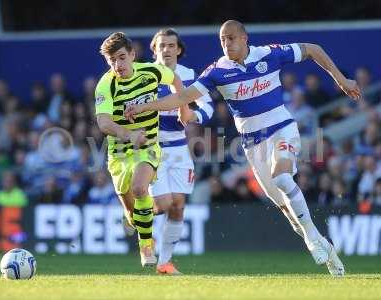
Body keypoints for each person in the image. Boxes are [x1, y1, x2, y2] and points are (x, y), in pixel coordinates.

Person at [125, 20, 362, 277]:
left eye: (231, 38)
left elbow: (313, 48)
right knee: (286, 209)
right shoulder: (217, 71)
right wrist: (143, 107)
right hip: (253, 144)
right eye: (222, 40)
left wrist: (341, 79)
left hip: (282, 128)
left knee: (282, 176)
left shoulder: (269, 54)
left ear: (245, 38)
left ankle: (313, 240)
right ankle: (323, 245)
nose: (227, 44)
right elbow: (182, 97)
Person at [94, 32, 183, 267]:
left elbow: (174, 79)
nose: (117, 65)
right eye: (112, 60)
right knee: (134, 216)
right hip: (119, 155)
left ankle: (146, 248)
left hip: (149, 146)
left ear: (133, 55)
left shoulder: (150, 72)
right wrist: (128, 134)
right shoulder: (106, 85)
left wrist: (182, 107)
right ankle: (135, 220)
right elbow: (103, 123)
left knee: (140, 187)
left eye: (122, 58)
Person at [148, 28, 213, 275]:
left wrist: (193, 115)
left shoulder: (189, 75)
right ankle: (141, 221)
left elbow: (208, 105)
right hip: (151, 148)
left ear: (179, 49)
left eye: (171, 45)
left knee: (178, 206)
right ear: (154, 49)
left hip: (178, 147)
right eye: (161, 45)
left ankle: (165, 262)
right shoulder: (144, 75)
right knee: (163, 204)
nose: (166, 49)